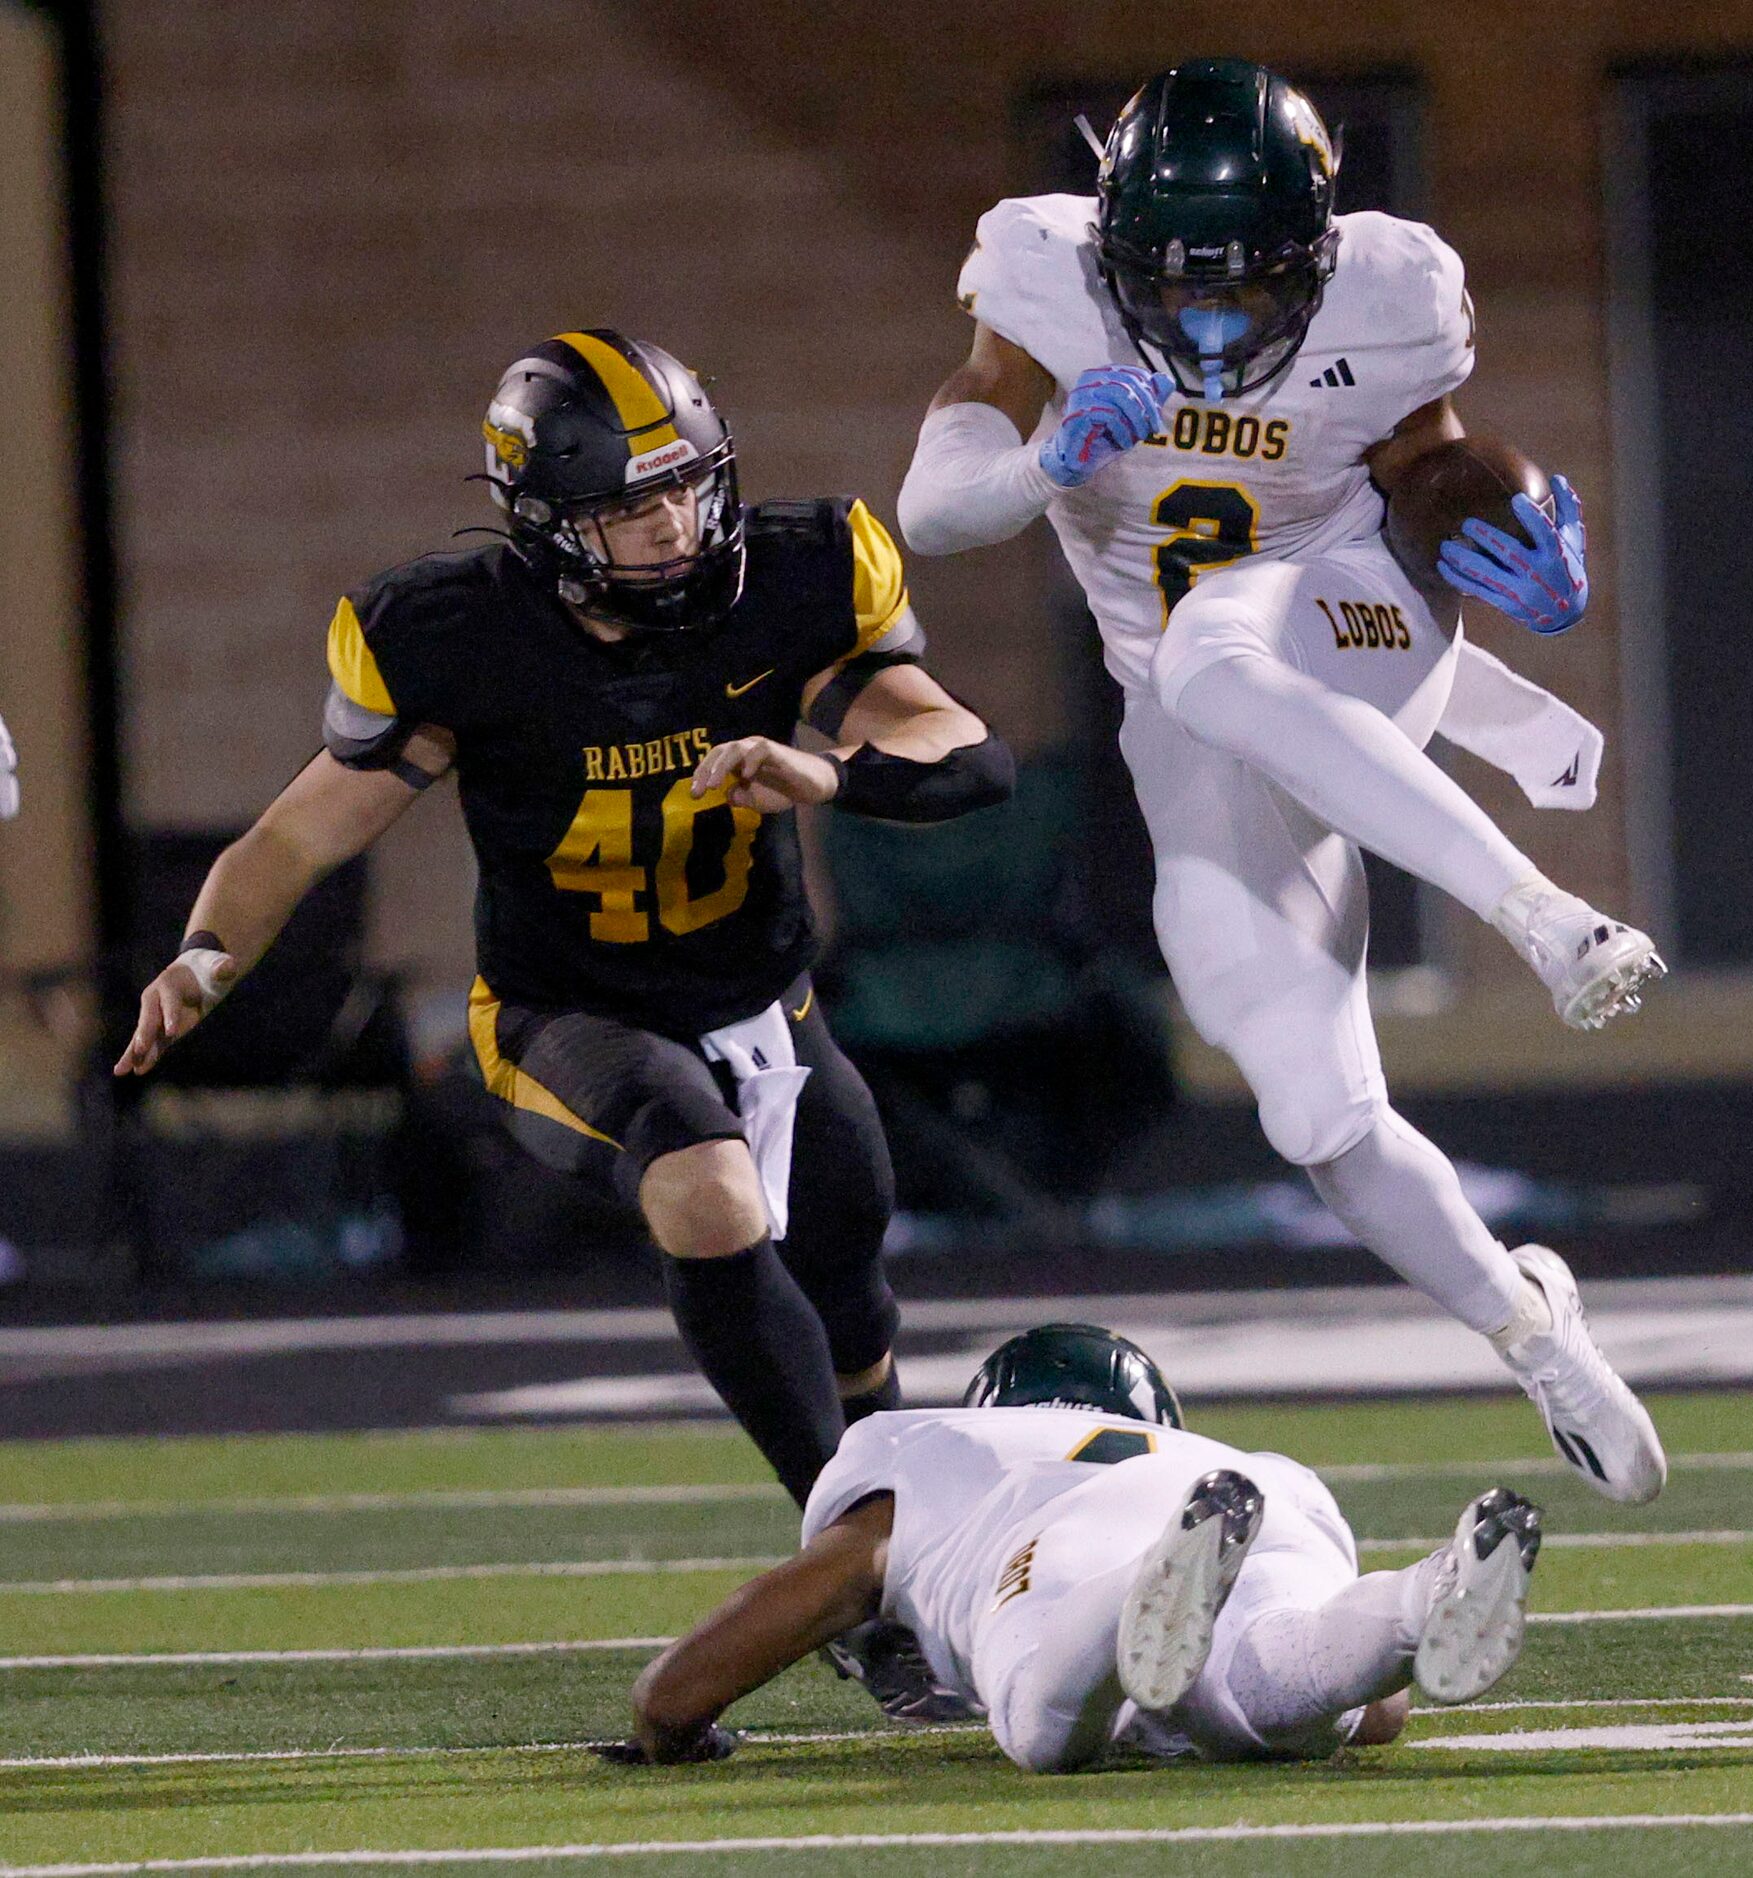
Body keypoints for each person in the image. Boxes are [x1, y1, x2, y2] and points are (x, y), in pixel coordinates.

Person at [114, 330, 1015, 1719]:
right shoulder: (455, 633)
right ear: (541, 525)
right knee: (704, 1190)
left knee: (851, 1291)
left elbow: (962, 750)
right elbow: (303, 828)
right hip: (563, 1012)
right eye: (624, 509)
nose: (670, 528)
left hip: (766, 1003)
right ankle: (864, 1581)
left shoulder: (794, 573)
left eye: (684, 490)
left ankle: (905, 1540)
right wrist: (205, 950)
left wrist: (823, 767)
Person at [893, 60, 1664, 1505]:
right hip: (1188, 710)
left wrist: (1516, 529)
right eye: (1168, 287)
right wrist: (1043, 456)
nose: (1201, 322)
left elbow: (1428, 467)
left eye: (1245, 291)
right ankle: (1530, 1329)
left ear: (1317, 257)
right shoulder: (1039, 271)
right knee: (1313, 1113)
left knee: (1213, 649)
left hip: (1349, 604)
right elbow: (930, 513)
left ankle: (1550, 919)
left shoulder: (1394, 291)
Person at [598, 1324, 1543, 1772]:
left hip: (1059, 1536)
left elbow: (699, 1677)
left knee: (1043, 1726)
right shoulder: (1248, 1463)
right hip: (1246, 1512)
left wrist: (670, 1725)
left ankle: (1135, 1590)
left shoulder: (939, 1449)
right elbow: (1378, 1719)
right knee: (1283, 1689)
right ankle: (1418, 1604)